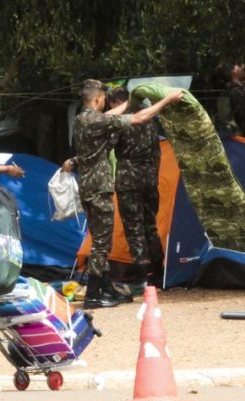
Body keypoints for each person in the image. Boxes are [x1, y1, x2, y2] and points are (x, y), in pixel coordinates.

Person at [61, 80, 182, 309]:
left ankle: (107, 287)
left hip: (92, 185)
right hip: (102, 187)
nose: (107, 104)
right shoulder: (100, 121)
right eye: (104, 100)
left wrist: (128, 103)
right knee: (103, 244)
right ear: (97, 99)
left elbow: (115, 115)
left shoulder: (82, 118)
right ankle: (96, 294)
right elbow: (138, 118)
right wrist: (166, 100)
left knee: (107, 237)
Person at [107, 86, 164, 285]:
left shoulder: (122, 122)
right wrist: (154, 176)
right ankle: (158, 270)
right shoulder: (149, 121)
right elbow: (158, 152)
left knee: (134, 227)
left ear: (116, 103)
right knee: (150, 225)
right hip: (149, 177)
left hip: (128, 178)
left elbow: (108, 147)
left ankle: (142, 272)